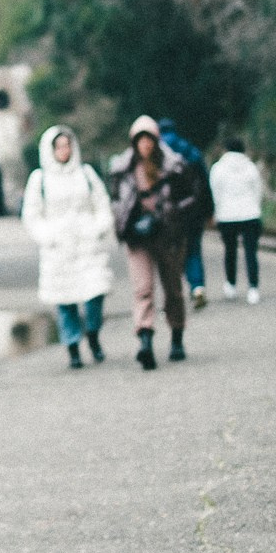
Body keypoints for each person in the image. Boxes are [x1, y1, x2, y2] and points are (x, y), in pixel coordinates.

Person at [110, 114, 199, 370]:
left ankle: (177, 336)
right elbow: (117, 200)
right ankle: (145, 340)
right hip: (137, 236)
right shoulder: (122, 168)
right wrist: (124, 223)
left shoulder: (173, 165)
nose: (145, 145)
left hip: (167, 234)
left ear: (156, 141)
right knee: (143, 289)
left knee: (173, 288)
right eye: (141, 141)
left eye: (149, 140)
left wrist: (171, 213)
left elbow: (191, 196)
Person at [21, 126, 114, 368]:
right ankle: (72, 345)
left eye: (67, 145)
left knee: (95, 293)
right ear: (50, 150)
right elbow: (31, 214)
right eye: (59, 146)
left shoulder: (85, 173)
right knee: (65, 300)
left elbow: (102, 203)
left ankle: (92, 334)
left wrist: (98, 227)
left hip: (87, 244)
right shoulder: (39, 179)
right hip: (58, 247)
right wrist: (47, 236)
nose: (64, 150)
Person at [158, 117, 212, 310]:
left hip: (170, 214)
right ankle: (197, 287)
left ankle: (176, 291)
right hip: (194, 211)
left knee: (172, 253)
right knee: (194, 250)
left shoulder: (156, 154)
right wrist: (209, 211)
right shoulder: (191, 151)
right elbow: (204, 183)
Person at [209, 137, 265, 303]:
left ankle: (231, 285)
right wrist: (254, 207)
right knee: (250, 252)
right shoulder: (251, 167)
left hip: (227, 216)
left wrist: (217, 212)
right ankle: (253, 289)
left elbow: (215, 193)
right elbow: (258, 191)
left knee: (230, 251)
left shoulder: (218, 168)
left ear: (226, 149)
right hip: (250, 214)